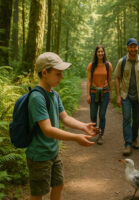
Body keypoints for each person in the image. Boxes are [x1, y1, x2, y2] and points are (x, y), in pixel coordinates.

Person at [27, 52, 97, 200]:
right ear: (45, 73)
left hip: (53, 152)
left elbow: (65, 117)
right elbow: (47, 129)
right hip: (39, 155)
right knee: (38, 193)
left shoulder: (54, 94)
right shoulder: (36, 98)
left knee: (58, 185)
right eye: (58, 74)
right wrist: (76, 138)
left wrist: (83, 126)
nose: (61, 77)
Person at [114, 38, 139, 156]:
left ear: (138, 48)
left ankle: (134, 139)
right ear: (127, 48)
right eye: (131, 46)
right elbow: (116, 77)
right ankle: (128, 144)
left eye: (135, 46)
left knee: (136, 121)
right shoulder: (122, 61)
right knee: (126, 119)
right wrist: (118, 96)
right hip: (126, 96)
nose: (133, 49)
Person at [87, 45, 113, 145]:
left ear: (104, 53)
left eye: (102, 51)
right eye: (98, 52)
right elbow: (89, 80)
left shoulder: (108, 65)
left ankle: (100, 136)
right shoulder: (91, 65)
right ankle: (94, 132)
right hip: (93, 93)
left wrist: (111, 94)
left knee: (102, 115)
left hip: (105, 93)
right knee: (93, 115)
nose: (100, 53)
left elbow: (110, 80)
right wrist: (88, 95)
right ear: (96, 53)